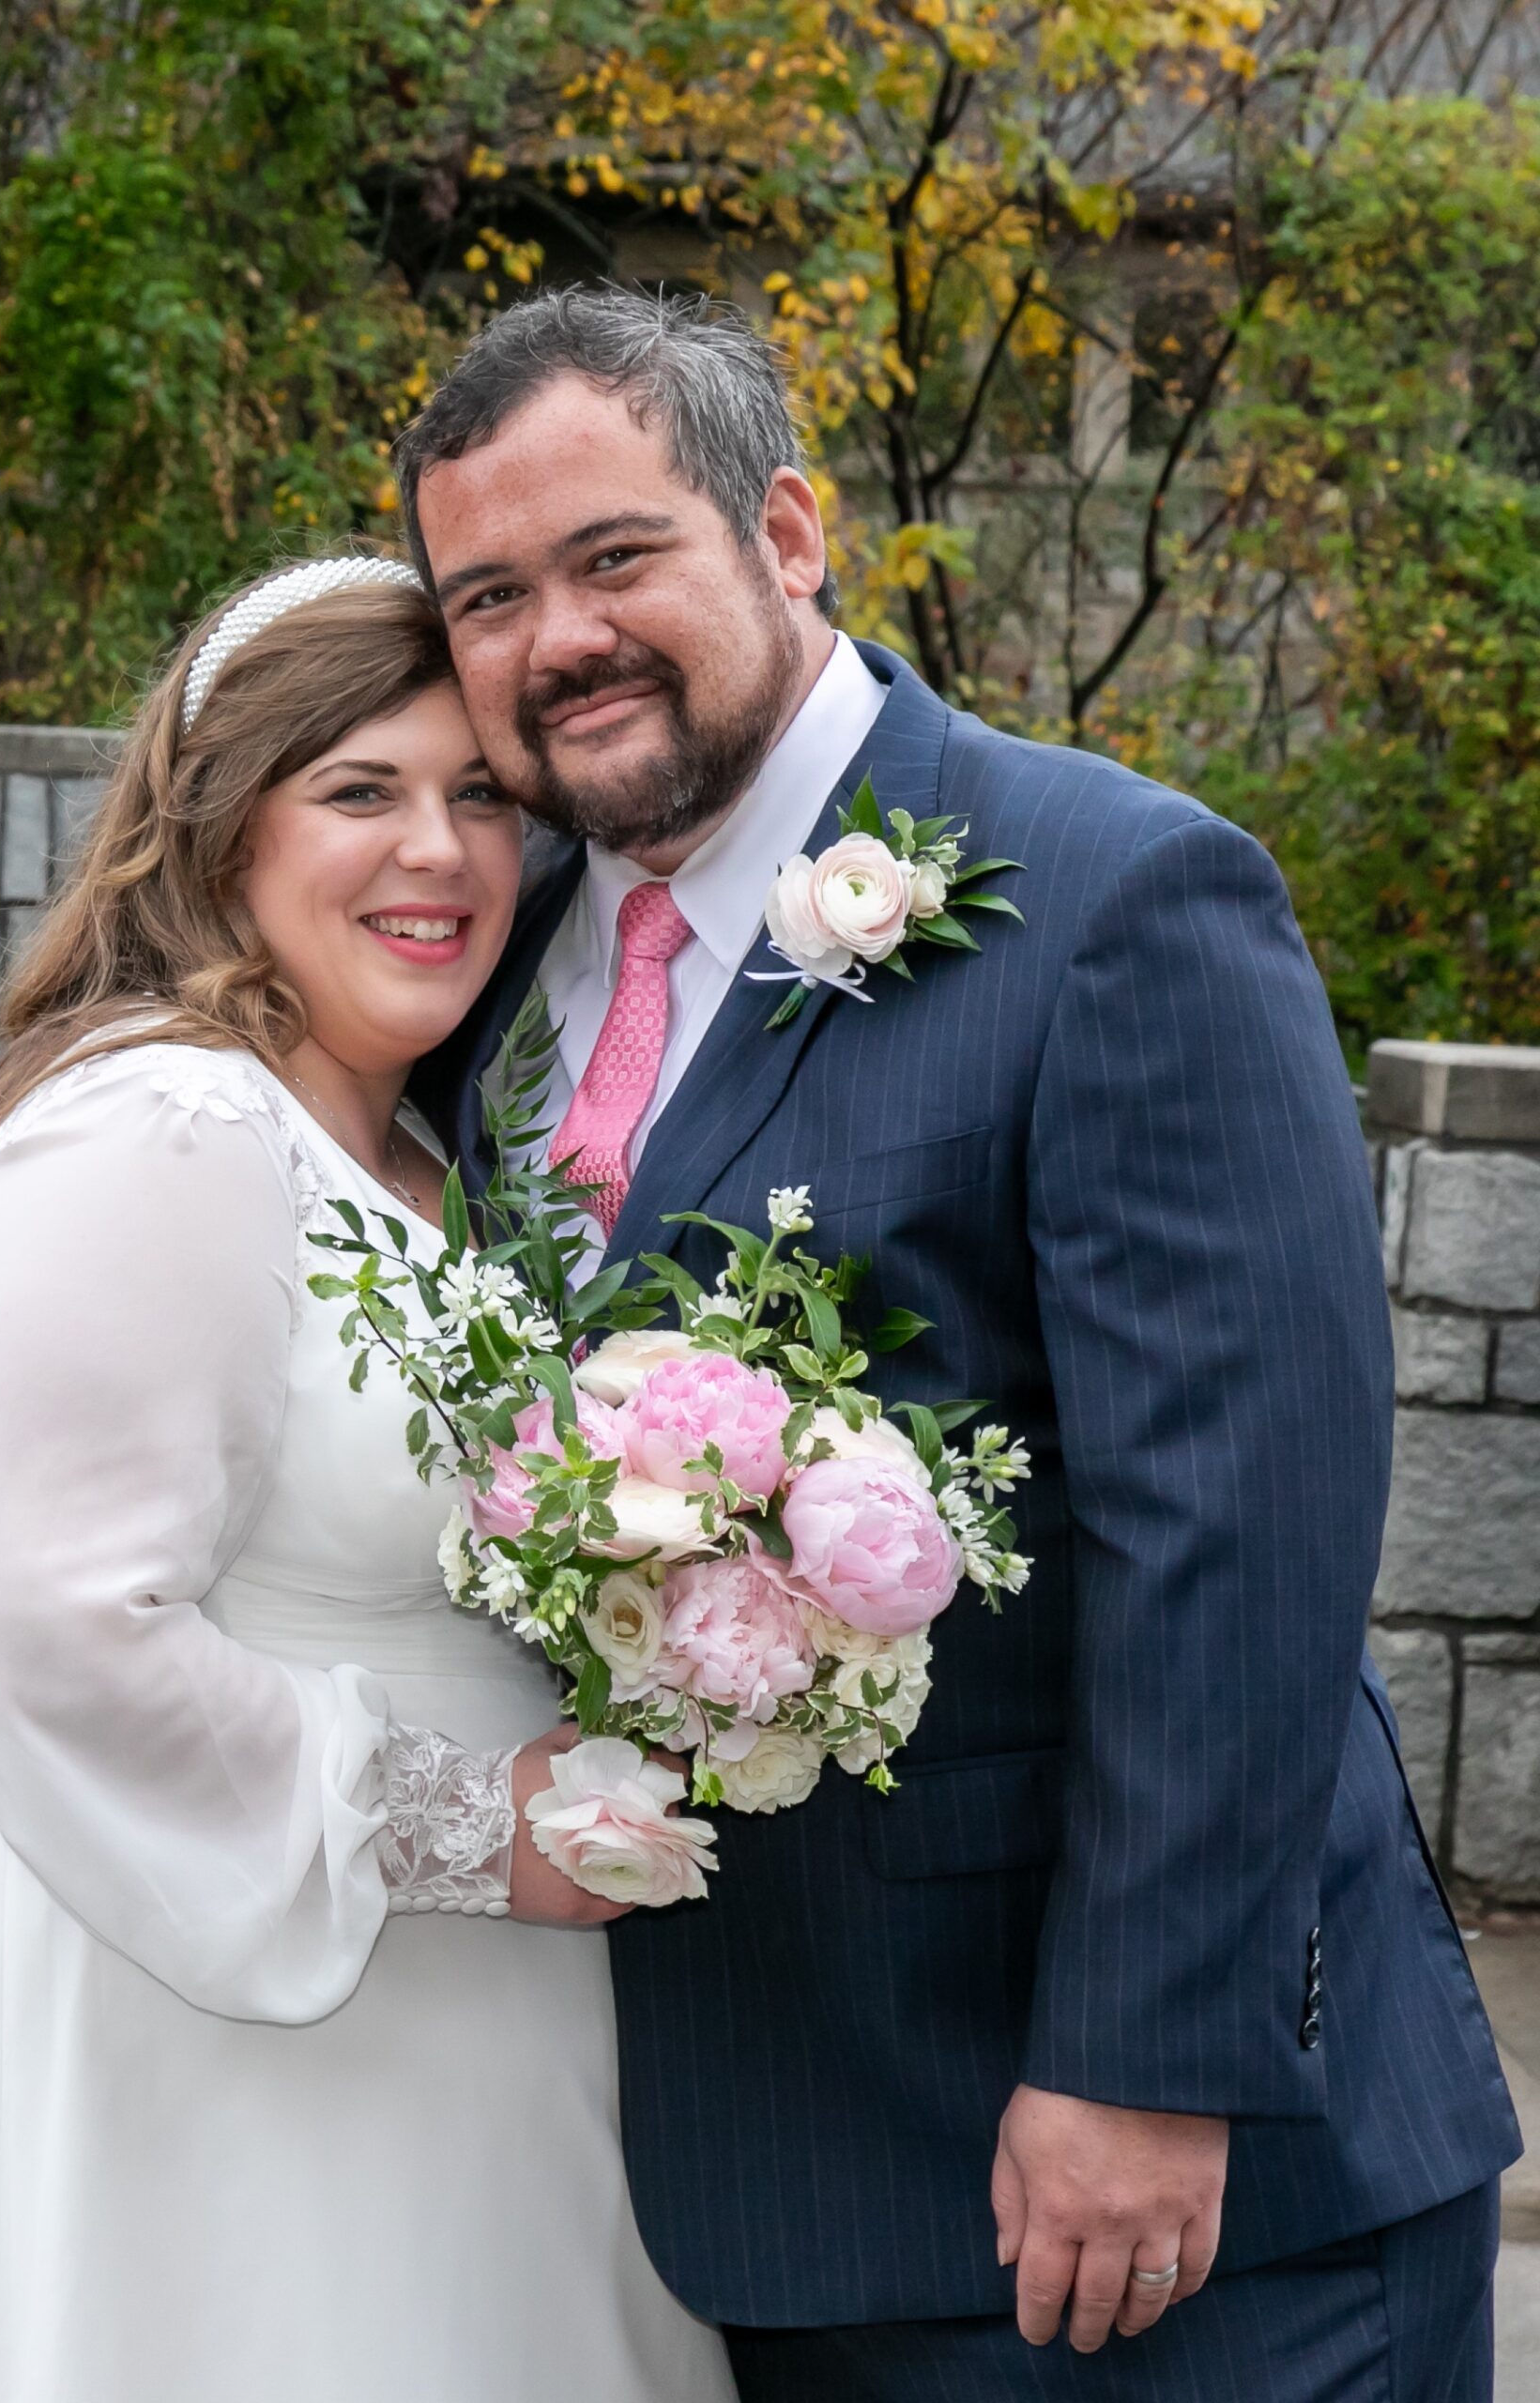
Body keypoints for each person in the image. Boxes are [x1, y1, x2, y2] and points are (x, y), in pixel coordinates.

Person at [383, 287, 1520, 2396]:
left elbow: (1237, 1537)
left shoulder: (1114, 897)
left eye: (614, 555)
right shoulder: (492, 938)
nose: (555, 639)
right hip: (741, 2169)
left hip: (1128, 2192)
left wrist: (1140, 2057)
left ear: (786, 532)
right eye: (486, 597)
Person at [0, 558, 737, 2403]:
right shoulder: (160, 1124)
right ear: (218, 831)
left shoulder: (419, 1156)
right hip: (218, 1988)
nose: (436, 851)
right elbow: (55, 1624)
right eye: (359, 790)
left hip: (460, 2016)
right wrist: (475, 1831)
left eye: (477, 797)